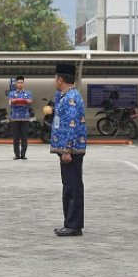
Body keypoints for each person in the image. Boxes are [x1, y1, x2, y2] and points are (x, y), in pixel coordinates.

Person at [51, 63, 86, 237]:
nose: (55, 81)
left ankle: (74, 225)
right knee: (69, 187)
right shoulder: (65, 96)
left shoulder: (71, 98)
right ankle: (70, 222)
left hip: (71, 151)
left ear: (61, 79)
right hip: (68, 149)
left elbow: (72, 126)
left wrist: (67, 150)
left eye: (56, 78)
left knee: (72, 187)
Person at [8, 76, 33, 160]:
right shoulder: (12, 93)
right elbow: (10, 103)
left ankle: (23, 155)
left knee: (24, 137)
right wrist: (22, 101)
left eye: (21, 82)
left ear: (24, 84)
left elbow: (30, 102)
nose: (20, 84)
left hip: (25, 118)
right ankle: (16, 155)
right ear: (16, 84)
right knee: (16, 138)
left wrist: (17, 100)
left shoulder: (28, 93)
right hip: (15, 118)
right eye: (18, 82)